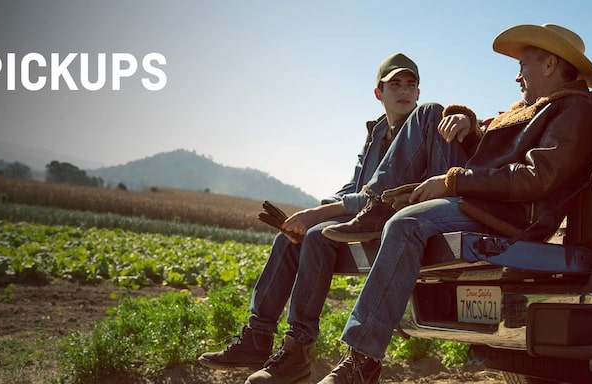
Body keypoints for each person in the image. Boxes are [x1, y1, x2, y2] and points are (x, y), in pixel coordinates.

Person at [314, 23, 592, 384]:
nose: (517, 77)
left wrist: (452, 181)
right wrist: (468, 128)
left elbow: (534, 177)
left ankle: (362, 361)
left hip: (506, 215)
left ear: (549, 65)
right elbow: (492, 160)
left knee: (405, 224)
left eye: (523, 65)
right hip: (480, 198)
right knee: (429, 114)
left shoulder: (573, 111)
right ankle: (377, 204)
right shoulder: (531, 109)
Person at [196, 52, 473, 384]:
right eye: (395, 84)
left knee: (316, 232)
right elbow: (354, 188)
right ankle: (270, 341)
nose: (404, 91)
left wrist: (320, 214)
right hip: (373, 214)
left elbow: (464, 144)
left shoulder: (428, 122)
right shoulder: (376, 134)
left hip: (412, 210)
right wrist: (309, 214)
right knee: (296, 236)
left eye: (411, 85)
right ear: (378, 93)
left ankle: (331, 356)